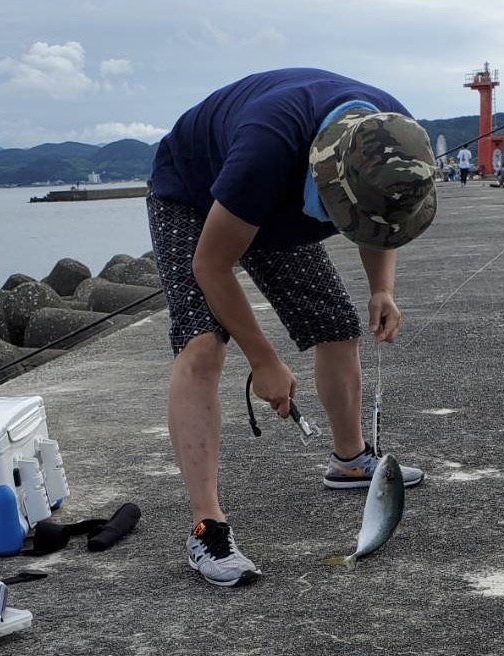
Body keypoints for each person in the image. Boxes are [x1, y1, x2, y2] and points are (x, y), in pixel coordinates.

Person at [147, 68, 436, 588]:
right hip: (191, 194)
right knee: (202, 344)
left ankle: (349, 460)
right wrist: (263, 361)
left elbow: (381, 218)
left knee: (335, 324)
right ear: (330, 179)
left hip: (270, 200)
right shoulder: (267, 151)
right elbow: (211, 266)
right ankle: (206, 525)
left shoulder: (393, 136)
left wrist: (381, 288)